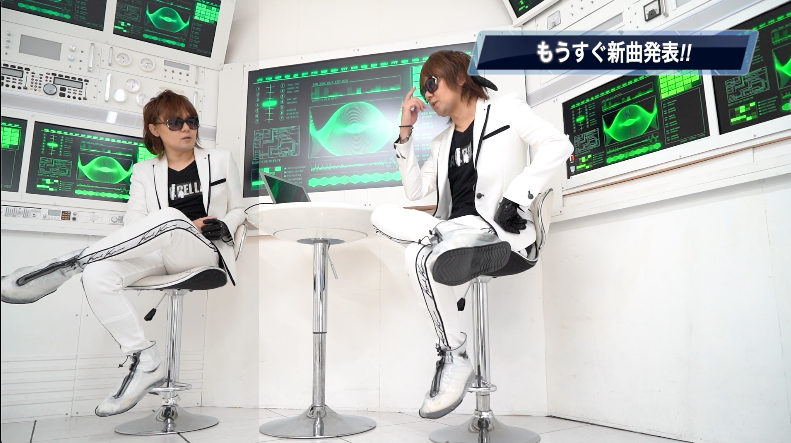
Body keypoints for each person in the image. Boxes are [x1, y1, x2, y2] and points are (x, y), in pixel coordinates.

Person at [1, 90, 246, 417]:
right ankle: (144, 359)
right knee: (97, 274)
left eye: (192, 121)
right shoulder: (144, 171)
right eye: (175, 122)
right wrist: (178, 222)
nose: (187, 128)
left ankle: (63, 265)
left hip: (201, 252)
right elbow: (134, 221)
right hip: (159, 249)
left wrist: (223, 225)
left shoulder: (220, 159)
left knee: (170, 217)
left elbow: (239, 208)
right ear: (155, 129)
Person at [371, 50, 573, 418]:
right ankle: (455, 349)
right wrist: (405, 131)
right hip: (454, 230)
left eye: (432, 82)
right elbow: (415, 191)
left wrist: (517, 196)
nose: (427, 93)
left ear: (460, 76)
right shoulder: (440, 143)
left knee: (415, 254)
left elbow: (559, 144)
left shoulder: (507, 109)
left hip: (499, 230)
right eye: (423, 87)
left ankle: (454, 356)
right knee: (380, 215)